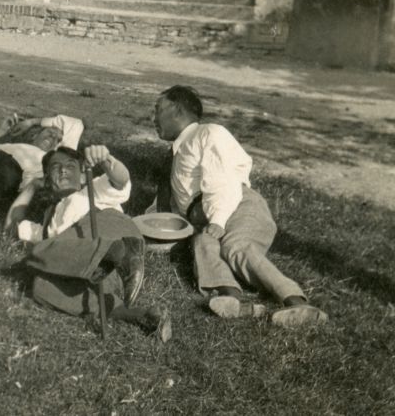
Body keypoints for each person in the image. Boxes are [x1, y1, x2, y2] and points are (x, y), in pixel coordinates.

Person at [152, 85, 327, 327]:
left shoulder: (207, 133)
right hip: (207, 215)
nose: (153, 118)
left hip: (237, 204)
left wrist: (218, 219)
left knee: (237, 247)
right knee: (203, 244)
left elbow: (223, 178)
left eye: (158, 109)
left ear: (177, 110)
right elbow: (172, 203)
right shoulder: (175, 154)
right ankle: (231, 298)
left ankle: (296, 302)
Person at [21, 145, 172, 341]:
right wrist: (32, 186)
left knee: (40, 252)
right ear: (48, 179)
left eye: (70, 166)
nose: (63, 170)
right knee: (40, 286)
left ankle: (117, 252)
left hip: (110, 230)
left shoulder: (92, 189)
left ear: (83, 176)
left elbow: (121, 179)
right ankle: (138, 314)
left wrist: (106, 160)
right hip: (100, 269)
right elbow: (12, 224)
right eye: (55, 167)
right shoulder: (47, 222)